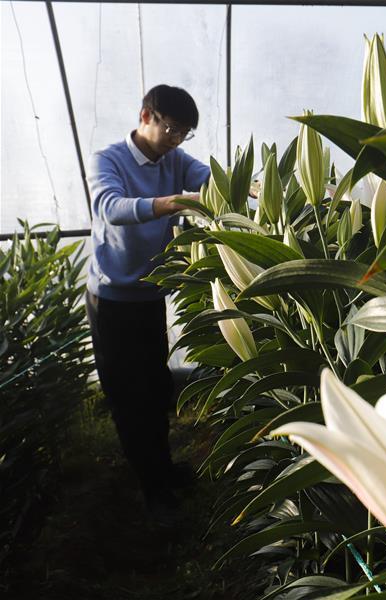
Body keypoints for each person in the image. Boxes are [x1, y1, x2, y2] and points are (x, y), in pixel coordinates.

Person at [84, 84, 209, 523]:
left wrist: (252, 188)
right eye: (171, 128)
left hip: (149, 294)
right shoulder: (108, 160)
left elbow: (211, 180)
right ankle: (152, 490)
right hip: (112, 300)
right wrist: (173, 203)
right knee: (128, 395)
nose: (176, 140)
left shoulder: (175, 160)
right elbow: (110, 208)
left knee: (156, 388)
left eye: (184, 133)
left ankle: (165, 469)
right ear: (146, 116)